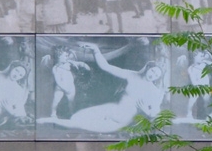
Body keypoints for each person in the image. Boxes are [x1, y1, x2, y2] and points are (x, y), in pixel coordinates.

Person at [38, 43, 167, 132]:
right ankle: (51, 119)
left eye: (156, 75)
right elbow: (106, 67)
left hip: (120, 121)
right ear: (148, 68)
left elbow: (156, 115)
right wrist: (96, 51)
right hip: (111, 109)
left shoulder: (154, 91)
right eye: (152, 71)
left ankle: (48, 120)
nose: (153, 75)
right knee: (76, 117)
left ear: (158, 78)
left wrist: (147, 112)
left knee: (77, 124)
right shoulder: (132, 75)